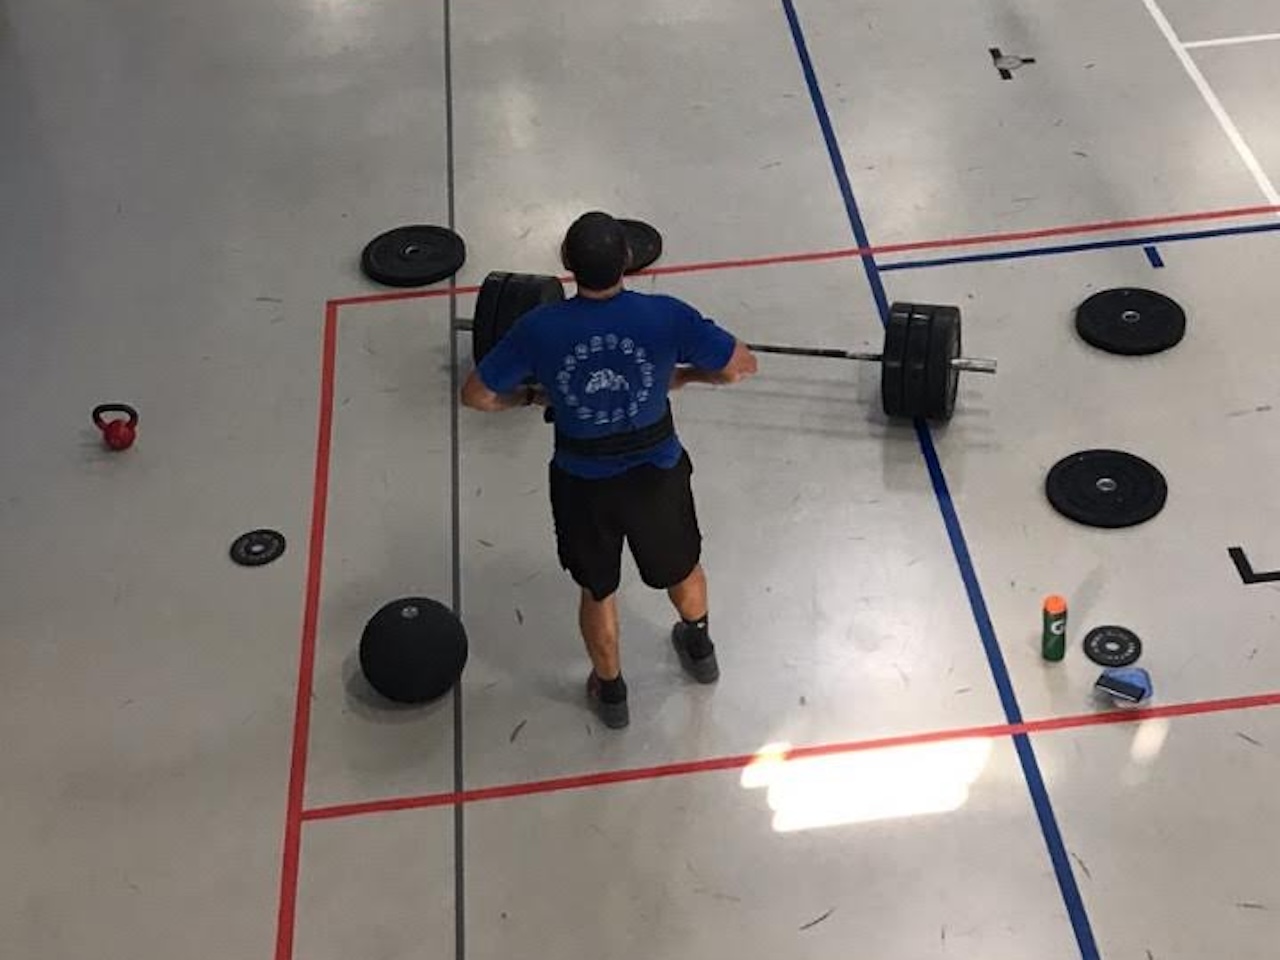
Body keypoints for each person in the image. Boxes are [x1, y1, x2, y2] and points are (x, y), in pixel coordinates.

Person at [460, 211, 758, 728]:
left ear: (566, 266)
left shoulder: (537, 328)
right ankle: (700, 646)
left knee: (597, 590)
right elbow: (738, 366)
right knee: (682, 568)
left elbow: (478, 395)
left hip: (583, 485)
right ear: (628, 260)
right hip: (657, 476)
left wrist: (531, 395)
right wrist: (681, 377)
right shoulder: (666, 315)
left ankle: (613, 692)